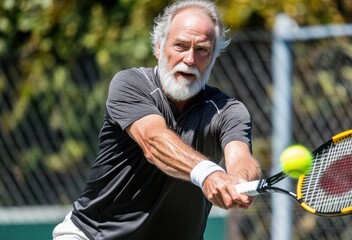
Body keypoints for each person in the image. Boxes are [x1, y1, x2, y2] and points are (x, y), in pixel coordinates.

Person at [52, 0, 262, 239]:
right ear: (159, 48)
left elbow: (241, 158)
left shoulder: (229, 110)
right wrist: (210, 174)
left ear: (214, 56)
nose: (190, 59)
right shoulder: (130, 84)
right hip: (92, 235)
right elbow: (154, 142)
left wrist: (239, 180)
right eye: (180, 46)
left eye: (202, 49)